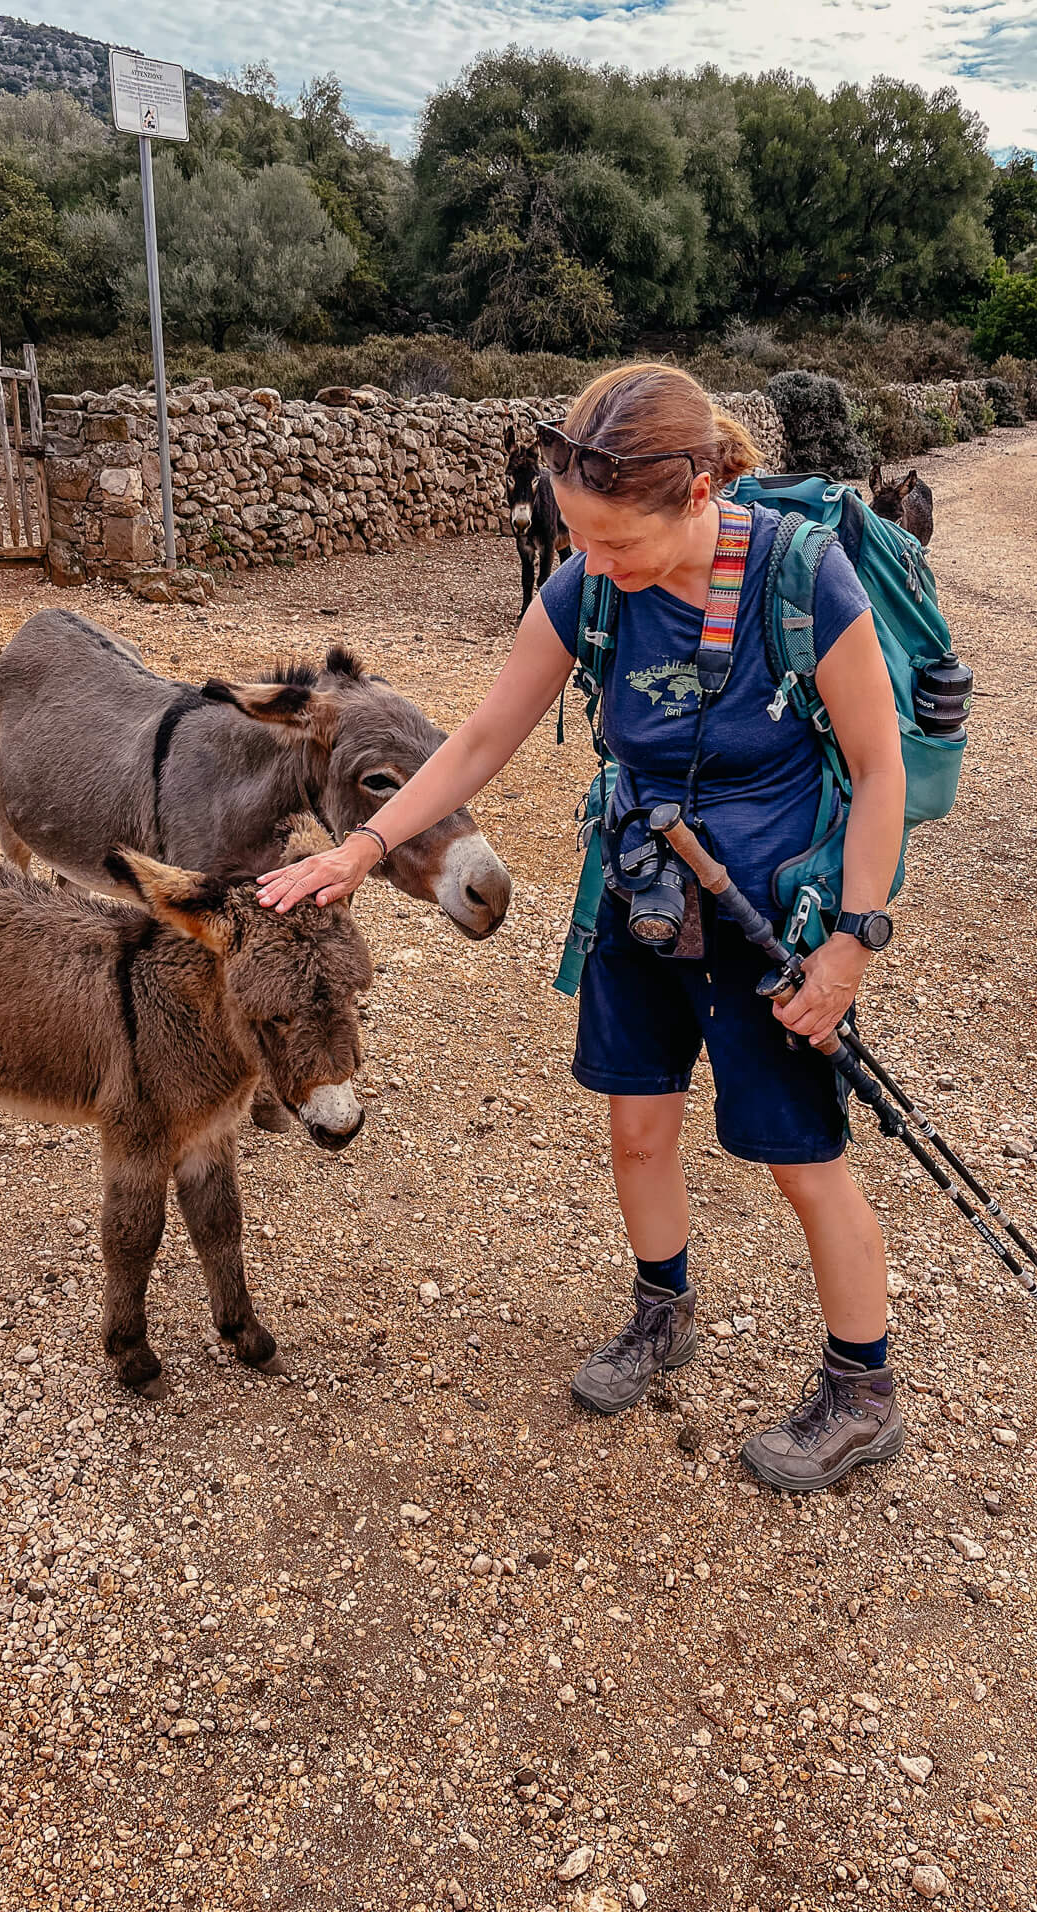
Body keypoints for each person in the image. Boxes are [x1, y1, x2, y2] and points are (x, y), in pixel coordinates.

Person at [256, 364, 907, 1493]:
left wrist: (849, 946)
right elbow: (474, 743)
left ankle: (863, 1391)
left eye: (614, 546)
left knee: (803, 1165)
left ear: (699, 489)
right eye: (580, 543)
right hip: (643, 909)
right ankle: (664, 1313)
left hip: (771, 931)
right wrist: (362, 849)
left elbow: (879, 764)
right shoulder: (588, 592)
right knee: (638, 1130)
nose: (591, 569)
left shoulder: (804, 581)